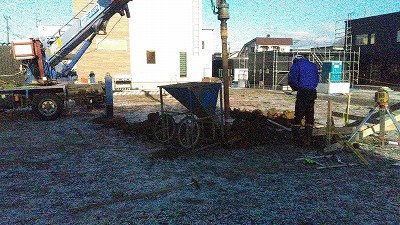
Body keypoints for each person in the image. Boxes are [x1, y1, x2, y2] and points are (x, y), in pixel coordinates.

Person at [288, 55, 319, 146]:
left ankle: (296, 137)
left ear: (295, 60)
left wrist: (295, 88)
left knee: (299, 114)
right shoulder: (313, 65)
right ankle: (308, 138)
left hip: (302, 91)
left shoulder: (296, 66)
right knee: (310, 114)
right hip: (312, 91)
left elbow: (292, 80)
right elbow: (316, 79)